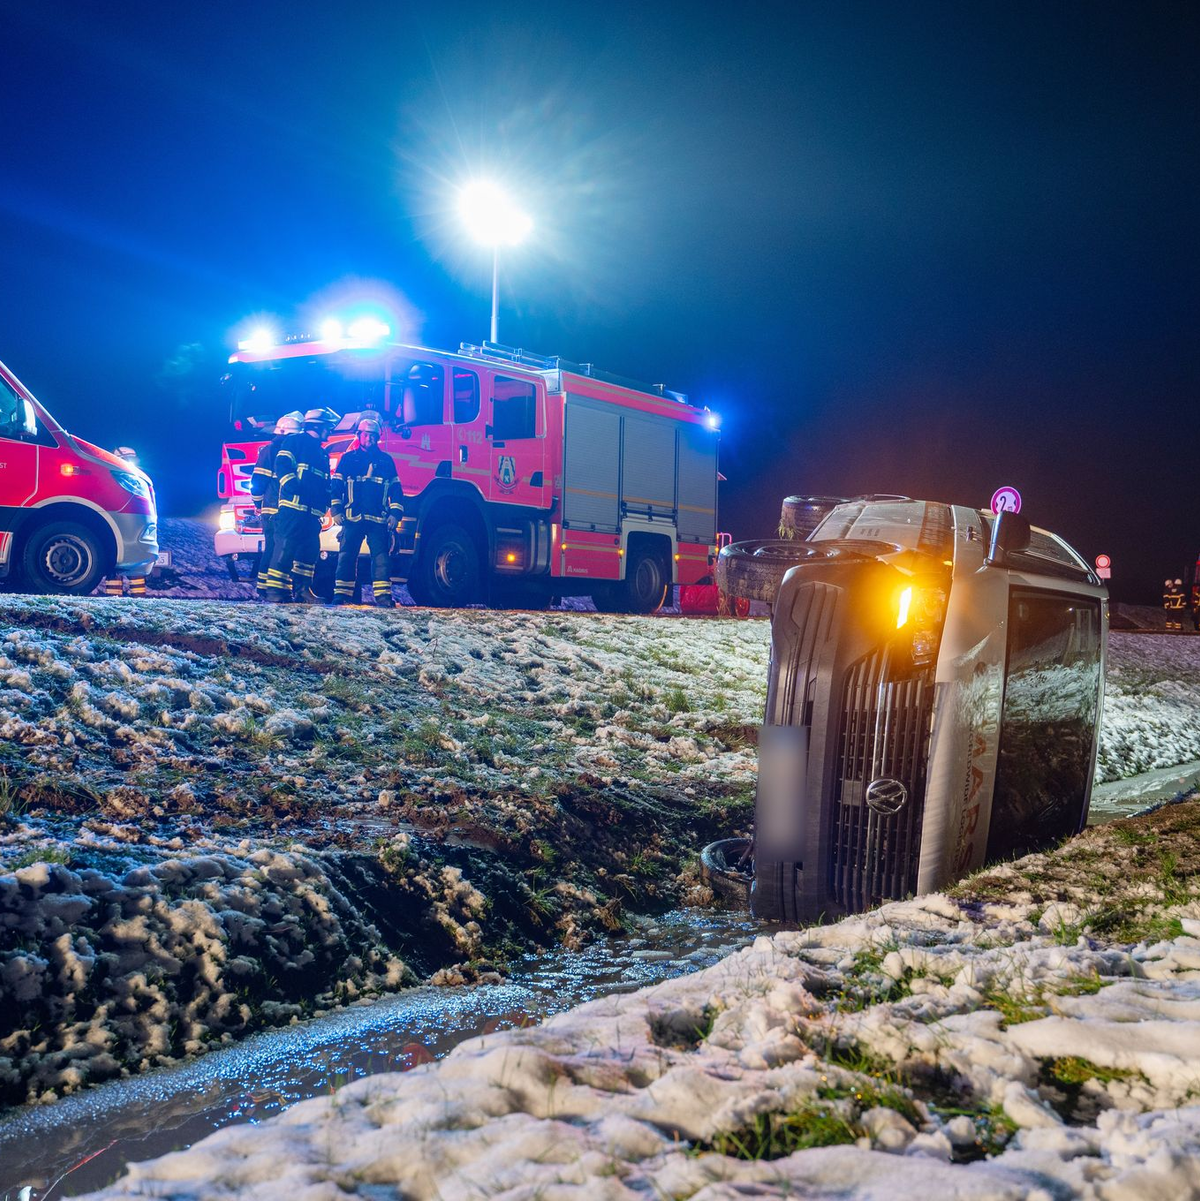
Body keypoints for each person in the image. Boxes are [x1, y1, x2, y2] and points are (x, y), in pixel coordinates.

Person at [264, 407, 339, 603]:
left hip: (312, 513)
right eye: (328, 427)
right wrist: (291, 485)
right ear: (318, 426)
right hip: (293, 508)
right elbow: (282, 464)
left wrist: (328, 501)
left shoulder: (322, 453)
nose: (330, 431)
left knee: (309, 551)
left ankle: (303, 590)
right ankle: (275, 591)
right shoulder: (295, 441)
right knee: (285, 548)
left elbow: (324, 482)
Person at [331, 415, 404, 607]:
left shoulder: (386, 461)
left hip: (378, 519)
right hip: (352, 517)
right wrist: (336, 510)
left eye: (372, 435)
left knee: (381, 559)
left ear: (378, 437)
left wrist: (395, 514)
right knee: (346, 557)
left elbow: (396, 490)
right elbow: (336, 486)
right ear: (359, 435)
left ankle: (383, 597)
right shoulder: (348, 459)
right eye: (365, 434)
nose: (369, 438)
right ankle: (342, 595)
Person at [251, 411, 304, 598]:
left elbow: (258, 483)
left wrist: (258, 502)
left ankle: (266, 588)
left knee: (275, 548)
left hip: (275, 507)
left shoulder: (272, 450)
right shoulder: (274, 450)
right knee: (275, 548)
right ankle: (266, 588)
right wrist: (259, 502)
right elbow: (258, 481)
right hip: (275, 508)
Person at [103, 447, 148, 597]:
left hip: (132, 523)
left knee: (135, 565)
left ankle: (139, 599)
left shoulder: (135, 477)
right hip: (119, 523)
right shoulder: (114, 475)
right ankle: (114, 600)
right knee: (115, 565)